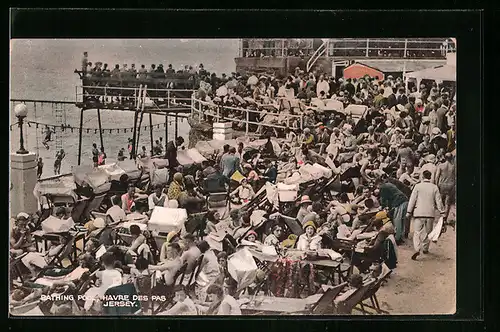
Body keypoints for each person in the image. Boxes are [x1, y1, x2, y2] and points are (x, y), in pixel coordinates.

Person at [406, 170, 446, 260]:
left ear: (422, 177)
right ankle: (425, 248)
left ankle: (417, 248)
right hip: (430, 213)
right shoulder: (434, 187)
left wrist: (409, 212)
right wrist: (442, 212)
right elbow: (438, 200)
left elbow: (412, 199)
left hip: (418, 212)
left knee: (417, 232)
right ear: (430, 177)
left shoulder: (417, 186)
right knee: (428, 232)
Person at [377, 179, 409, 244]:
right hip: (404, 200)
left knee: (397, 220)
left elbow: (384, 199)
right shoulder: (389, 184)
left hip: (399, 202)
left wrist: (382, 207)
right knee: (402, 221)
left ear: (379, 184)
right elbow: (389, 199)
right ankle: (400, 237)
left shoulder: (383, 187)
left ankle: (397, 239)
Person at [435, 153, 455, 223]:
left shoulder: (441, 166)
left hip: (442, 185)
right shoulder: (453, 166)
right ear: (451, 158)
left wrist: (436, 185)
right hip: (450, 185)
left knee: (439, 201)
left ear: (445, 158)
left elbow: (437, 176)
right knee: (447, 202)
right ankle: (445, 219)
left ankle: (440, 217)